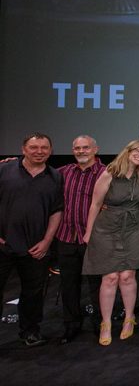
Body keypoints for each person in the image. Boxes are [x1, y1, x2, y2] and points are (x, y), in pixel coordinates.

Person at [82, 139, 139, 345]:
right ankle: (105, 323)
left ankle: (129, 319)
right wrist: (88, 232)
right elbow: (95, 204)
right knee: (110, 277)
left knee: (128, 276)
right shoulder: (109, 173)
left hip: (133, 229)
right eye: (137, 151)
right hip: (107, 229)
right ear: (128, 151)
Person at [0, 133, 64, 347]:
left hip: (36, 247)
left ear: (51, 151)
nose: (39, 151)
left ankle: (30, 332)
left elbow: (57, 211)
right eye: (34, 147)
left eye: (44, 148)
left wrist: (47, 241)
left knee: (33, 293)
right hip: (3, 245)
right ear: (23, 149)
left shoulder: (55, 176)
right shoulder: (4, 170)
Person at [54, 135, 105, 344]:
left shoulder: (105, 173)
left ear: (95, 149)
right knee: (69, 284)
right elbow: (38, 172)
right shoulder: (63, 172)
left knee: (97, 284)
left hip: (94, 238)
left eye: (86, 147)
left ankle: (100, 323)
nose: (81, 151)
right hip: (66, 236)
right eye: (77, 148)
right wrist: (12, 162)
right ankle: (71, 325)